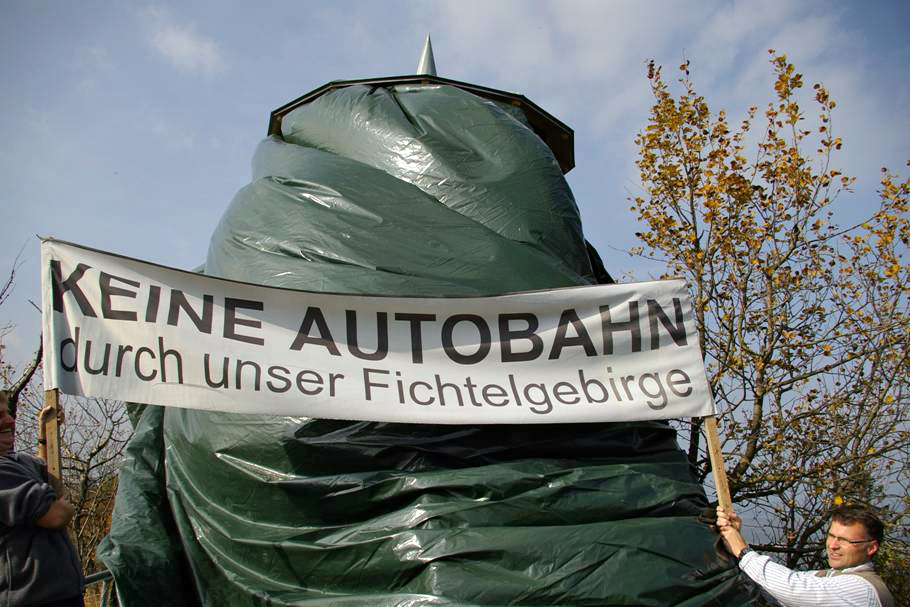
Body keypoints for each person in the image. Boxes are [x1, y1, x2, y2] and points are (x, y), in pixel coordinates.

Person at [716, 504, 894, 607]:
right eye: (831, 536)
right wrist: (734, 538)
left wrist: (742, 549)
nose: (832, 546)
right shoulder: (831, 576)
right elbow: (771, 587)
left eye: (845, 541)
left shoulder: (862, 590)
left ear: (871, 548)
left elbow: (791, 587)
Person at [0, 392, 84, 607]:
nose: (10, 420)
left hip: (58, 594)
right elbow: (55, 516)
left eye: (8, 413)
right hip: (34, 599)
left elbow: (45, 473)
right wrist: (65, 507)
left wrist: (46, 433)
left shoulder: (15, 461)